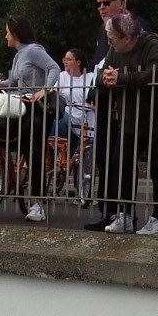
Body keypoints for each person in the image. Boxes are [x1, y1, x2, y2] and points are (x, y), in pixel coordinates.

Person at [97, 12, 158, 235]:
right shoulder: (115, 50)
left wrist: (123, 78)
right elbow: (102, 72)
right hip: (130, 117)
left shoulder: (151, 44)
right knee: (122, 164)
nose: (109, 43)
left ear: (127, 37)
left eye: (112, 39)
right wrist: (105, 78)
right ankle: (126, 214)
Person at [83, 0, 148, 229]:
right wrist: (94, 90)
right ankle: (108, 212)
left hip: (127, 107)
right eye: (98, 3)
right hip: (106, 103)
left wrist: (116, 76)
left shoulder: (135, 28)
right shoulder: (102, 32)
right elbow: (99, 65)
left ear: (121, 4)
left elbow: (137, 65)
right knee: (103, 158)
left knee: (122, 160)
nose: (101, 8)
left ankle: (126, 213)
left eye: (106, 3)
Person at [0, 17, 60, 222]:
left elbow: (54, 68)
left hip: (37, 109)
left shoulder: (33, 50)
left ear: (16, 33)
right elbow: (13, 81)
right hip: (21, 107)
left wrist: (44, 90)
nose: (5, 36)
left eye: (7, 32)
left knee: (34, 151)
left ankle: (38, 203)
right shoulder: (18, 55)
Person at [54, 49, 96, 203]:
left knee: (84, 158)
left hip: (86, 121)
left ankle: (83, 193)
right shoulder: (62, 77)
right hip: (67, 119)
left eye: (69, 59)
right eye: (64, 58)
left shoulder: (90, 78)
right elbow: (55, 93)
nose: (65, 61)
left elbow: (94, 101)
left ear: (78, 62)